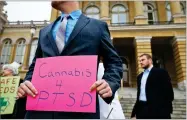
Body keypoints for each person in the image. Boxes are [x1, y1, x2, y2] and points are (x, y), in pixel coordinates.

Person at [17, 1, 123, 119]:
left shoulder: (98, 26)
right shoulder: (44, 31)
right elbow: (35, 65)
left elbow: (114, 62)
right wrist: (27, 81)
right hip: (39, 112)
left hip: (80, 112)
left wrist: (109, 82)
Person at [131, 53, 174, 119]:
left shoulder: (161, 72)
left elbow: (169, 93)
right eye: (140, 61)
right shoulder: (139, 76)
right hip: (142, 109)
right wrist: (134, 113)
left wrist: (166, 111)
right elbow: (139, 95)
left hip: (158, 111)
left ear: (150, 60)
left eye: (143, 60)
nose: (141, 62)